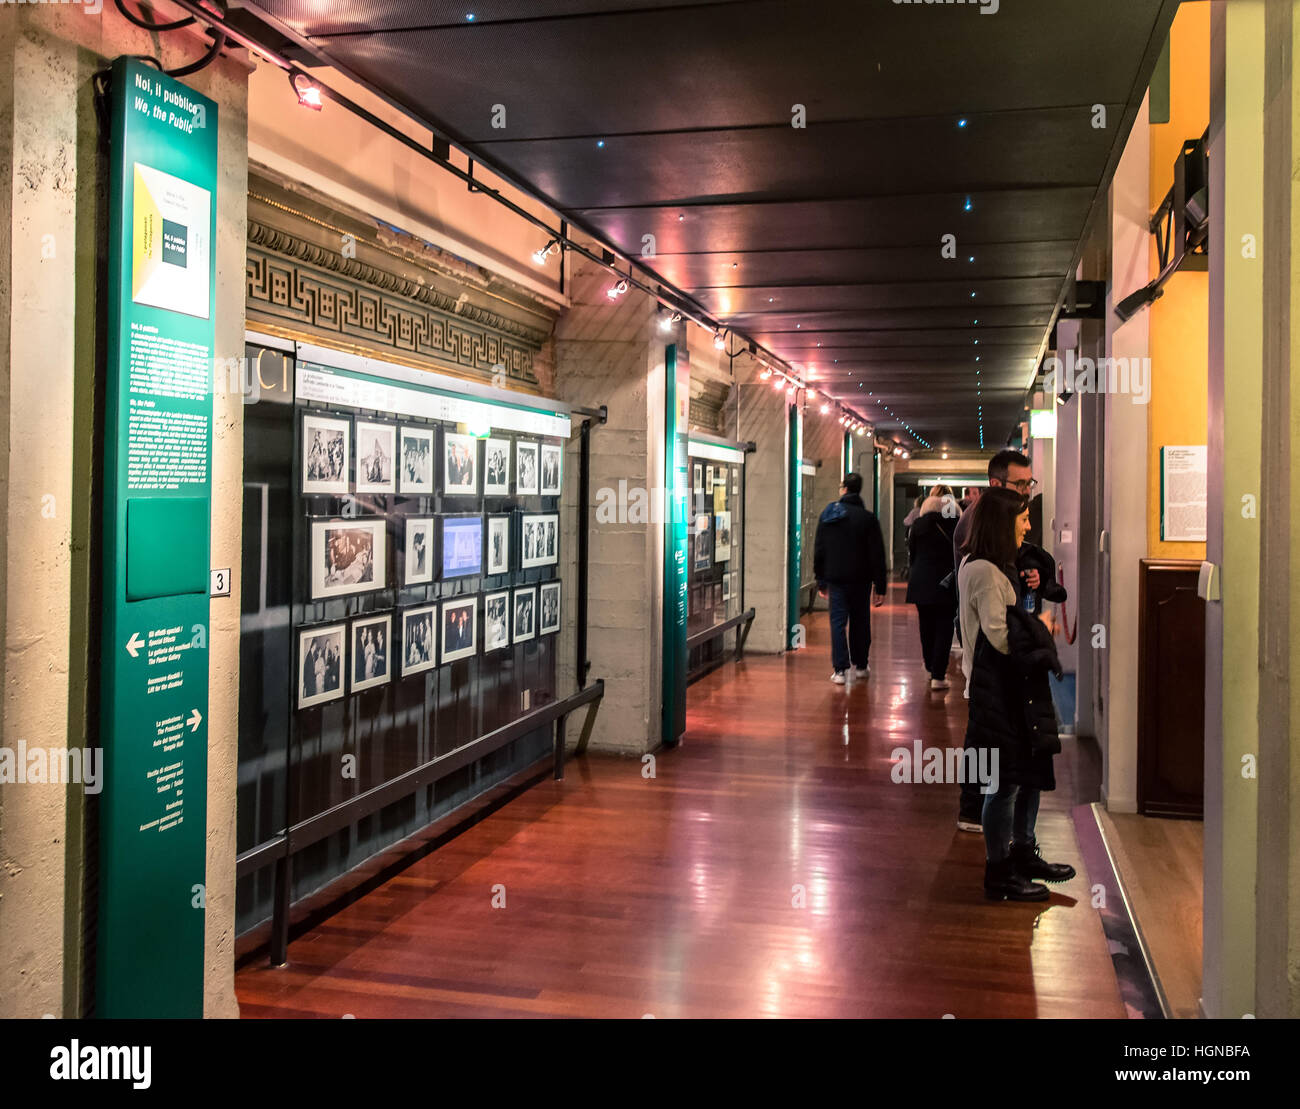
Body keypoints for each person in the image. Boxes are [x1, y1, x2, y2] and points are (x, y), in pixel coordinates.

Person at [956, 487, 1075, 900]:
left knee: (1024, 778)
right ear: (1002, 523)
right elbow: (1004, 639)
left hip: (1008, 691)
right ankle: (1000, 870)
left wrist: (1029, 593)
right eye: (1022, 518)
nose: (1028, 525)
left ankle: (1021, 853)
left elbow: (1012, 620)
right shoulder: (986, 573)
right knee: (1004, 785)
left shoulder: (989, 567)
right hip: (999, 693)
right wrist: (1043, 633)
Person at [812, 472, 888, 685]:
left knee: (837, 623)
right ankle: (861, 665)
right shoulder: (868, 518)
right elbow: (877, 554)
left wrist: (821, 579)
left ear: (844, 488)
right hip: (861, 580)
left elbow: (820, 549)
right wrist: (880, 585)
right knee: (860, 621)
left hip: (836, 579)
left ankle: (840, 670)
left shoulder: (829, 515)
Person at [905, 494, 958, 689]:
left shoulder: (918, 525)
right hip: (946, 583)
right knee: (944, 628)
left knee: (926, 627)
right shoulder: (955, 525)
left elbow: (913, 552)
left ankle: (929, 666)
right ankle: (938, 675)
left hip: (922, 582)